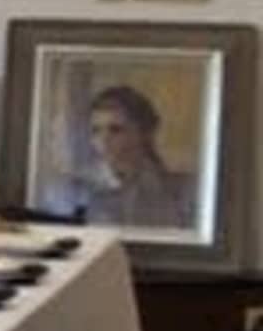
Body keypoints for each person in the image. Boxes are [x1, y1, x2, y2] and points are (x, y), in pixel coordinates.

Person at [61, 81, 197, 233]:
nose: (103, 139)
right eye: (95, 130)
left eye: (116, 130)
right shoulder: (76, 189)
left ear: (144, 133)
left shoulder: (182, 191)